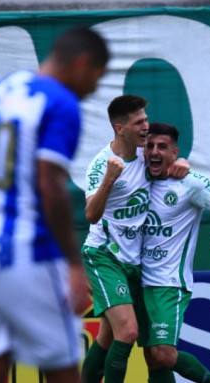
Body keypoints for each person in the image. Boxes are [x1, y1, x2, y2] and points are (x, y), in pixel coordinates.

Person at [0, 26, 109, 383]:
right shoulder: (60, 102)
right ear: (83, 63)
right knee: (62, 369)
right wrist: (73, 263)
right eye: (96, 77)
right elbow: (50, 185)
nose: (94, 89)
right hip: (27, 255)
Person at [80, 95, 188, 383]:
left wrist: (182, 163)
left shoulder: (145, 155)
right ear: (120, 128)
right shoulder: (102, 164)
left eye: (146, 120)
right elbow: (91, 214)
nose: (146, 127)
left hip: (134, 263)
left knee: (110, 337)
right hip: (103, 255)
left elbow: (169, 166)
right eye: (139, 122)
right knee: (128, 331)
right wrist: (109, 180)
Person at [140, 122, 210, 383]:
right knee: (151, 356)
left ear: (174, 152)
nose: (154, 151)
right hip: (137, 280)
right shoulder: (137, 177)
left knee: (163, 353)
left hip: (168, 282)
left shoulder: (190, 183)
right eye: (149, 145)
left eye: (162, 147)